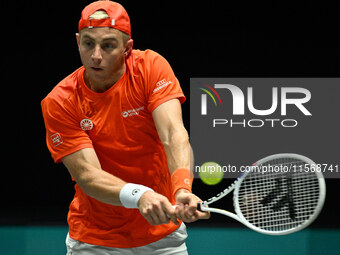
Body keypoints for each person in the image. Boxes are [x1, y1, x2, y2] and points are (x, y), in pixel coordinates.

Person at [41, 1, 209, 254]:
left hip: (163, 236)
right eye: (88, 43)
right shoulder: (60, 101)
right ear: (78, 42)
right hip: (95, 240)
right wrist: (140, 195)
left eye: (108, 45)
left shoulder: (150, 67)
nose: (96, 55)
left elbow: (173, 133)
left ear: (127, 48)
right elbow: (88, 175)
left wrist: (182, 187)